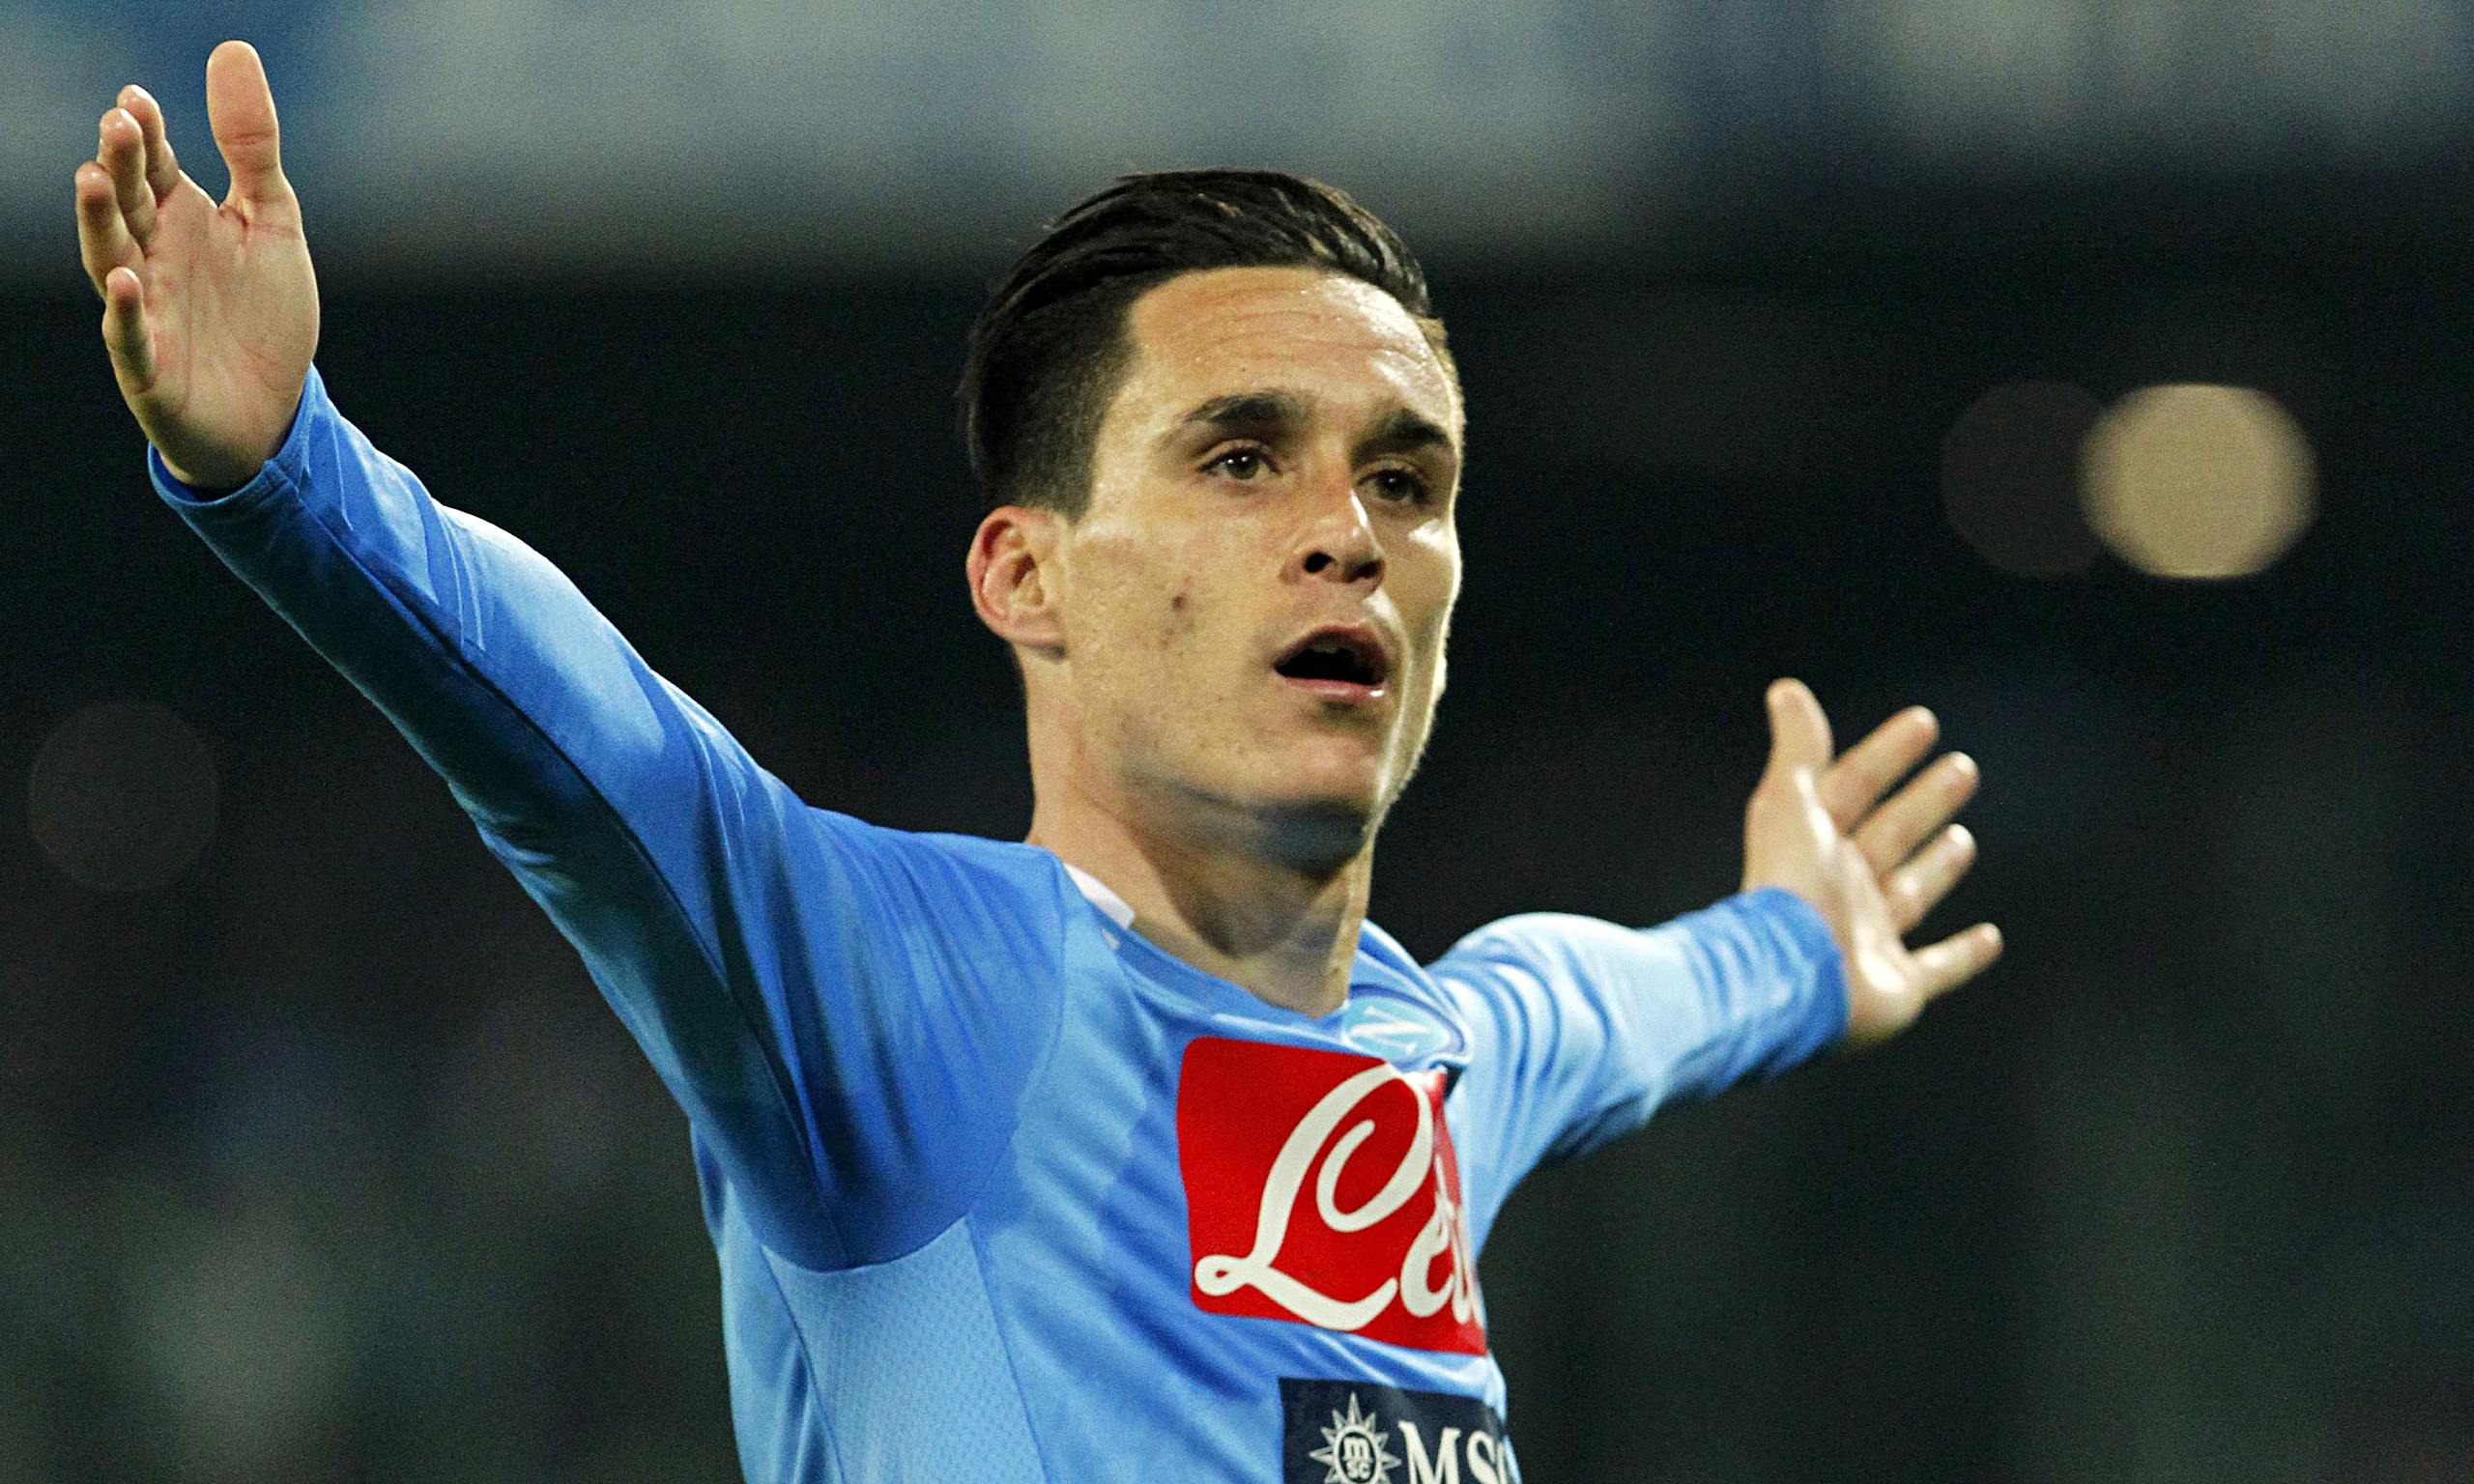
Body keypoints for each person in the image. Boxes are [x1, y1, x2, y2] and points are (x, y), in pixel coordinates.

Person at [72, 41, 2000, 1484]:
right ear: (1028, 574)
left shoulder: (1446, 1059)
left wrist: (1797, 945)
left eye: (1405, 480)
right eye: (1240, 456)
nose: (1348, 533)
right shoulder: (906, 994)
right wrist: (294, 472)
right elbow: (588, 749)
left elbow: (1630, 1001)